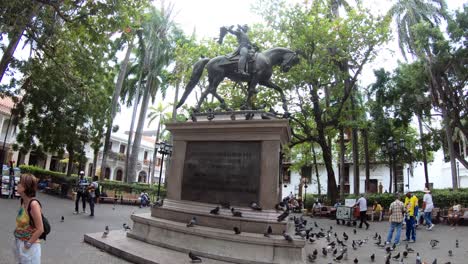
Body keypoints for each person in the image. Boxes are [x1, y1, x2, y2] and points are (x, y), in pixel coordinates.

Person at [14, 173, 43, 263]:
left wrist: (27, 245)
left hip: (30, 248)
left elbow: (40, 229)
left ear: (25, 187)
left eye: (20, 182)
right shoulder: (23, 201)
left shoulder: (33, 204)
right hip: (19, 242)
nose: (17, 184)